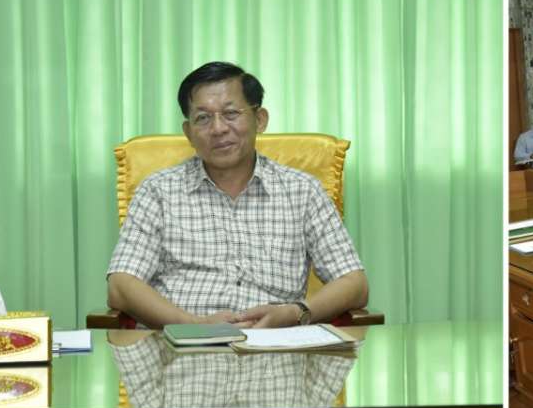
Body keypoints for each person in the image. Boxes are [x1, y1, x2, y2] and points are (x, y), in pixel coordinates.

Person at [106, 62, 369, 329]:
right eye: (203, 118)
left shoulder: (303, 191)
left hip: (278, 345)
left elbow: (354, 284)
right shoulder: (157, 191)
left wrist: (296, 313)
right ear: (188, 133)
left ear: (260, 120)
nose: (218, 129)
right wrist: (193, 326)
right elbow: (121, 285)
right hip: (180, 345)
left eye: (231, 113)